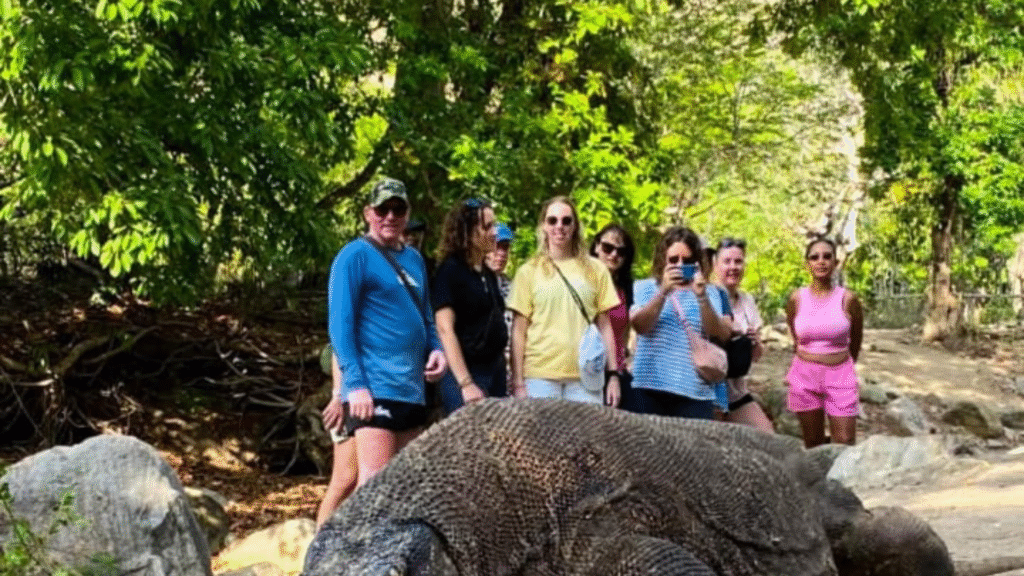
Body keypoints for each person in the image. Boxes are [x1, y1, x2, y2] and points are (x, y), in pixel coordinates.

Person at [327, 177, 447, 486]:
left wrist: (436, 349)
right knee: (375, 482)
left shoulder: (414, 259)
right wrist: (355, 385)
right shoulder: (354, 256)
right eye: (383, 210)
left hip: (412, 387)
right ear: (369, 213)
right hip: (374, 386)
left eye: (398, 210)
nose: (390, 217)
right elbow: (340, 325)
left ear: (407, 214)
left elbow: (426, 316)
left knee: (406, 484)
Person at [507, 196, 621, 406]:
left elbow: (605, 325)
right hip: (539, 376)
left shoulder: (596, 269)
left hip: (586, 376)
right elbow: (518, 330)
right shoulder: (528, 271)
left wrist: (613, 375)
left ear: (575, 226)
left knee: (588, 430)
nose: (559, 226)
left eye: (566, 221)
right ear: (544, 226)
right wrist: (518, 382)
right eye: (552, 220)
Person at [630, 226, 732, 419]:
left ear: (696, 262)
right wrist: (663, 292)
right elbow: (640, 327)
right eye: (673, 260)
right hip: (649, 387)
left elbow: (719, 333)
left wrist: (701, 297)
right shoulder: (644, 287)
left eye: (687, 261)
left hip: (694, 392)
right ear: (663, 259)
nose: (679, 265)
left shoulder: (710, 292)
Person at [431, 199, 508, 415]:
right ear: (468, 232)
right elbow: (445, 329)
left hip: (494, 372)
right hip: (466, 375)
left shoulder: (487, 273)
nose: (494, 232)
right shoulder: (450, 272)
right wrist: (466, 383)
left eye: (494, 225)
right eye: (487, 227)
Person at [785, 237, 864, 447]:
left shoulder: (848, 299)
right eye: (815, 257)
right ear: (807, 264)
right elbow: (795, 334)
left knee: (845, 442)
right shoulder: (796, 299)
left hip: (840, 374)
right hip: (805, 375)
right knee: (813, 443)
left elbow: (856, 339)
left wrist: (842, 363)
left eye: (827, 256)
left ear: (836, 262)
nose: (821, 261)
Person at [713, 238, 774, 433]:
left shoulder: (747, 301)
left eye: (738, 262)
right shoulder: (706, 296)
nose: (733, 267)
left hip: (737, 391)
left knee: (767, 435)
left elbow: (756, 356)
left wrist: (755, 342)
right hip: (709, 391)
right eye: (727, 261)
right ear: (715, 264)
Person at [589, 224, 637, 411]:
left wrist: (616, 372)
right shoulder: (581, 282)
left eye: (621, 251)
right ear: (596, 247)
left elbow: (623, 335)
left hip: (614, 372)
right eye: (608, 248)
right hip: (584, 369)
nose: (614, 255)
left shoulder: (627, 290)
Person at [315, 350, 356, 528]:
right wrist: (337, 396)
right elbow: (338, 351)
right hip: (348, 402)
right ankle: (320, 540)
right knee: (345, 479)